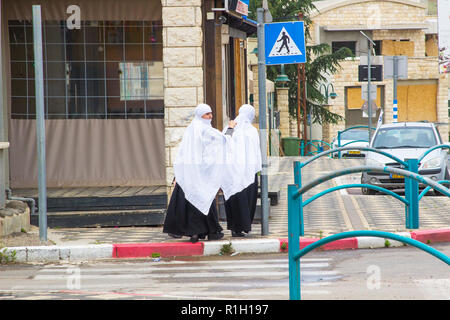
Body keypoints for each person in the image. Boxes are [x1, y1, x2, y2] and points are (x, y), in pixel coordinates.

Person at [163, 104, 227, 243]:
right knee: (204, 200)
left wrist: (180, 173)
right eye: (207, 114)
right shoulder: (205, 130)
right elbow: (221, 141)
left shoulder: (191, 129)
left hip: (189, 173)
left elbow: (183, 152)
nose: (210, 116)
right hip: (200, 173)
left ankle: (197, 233)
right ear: (200, 115)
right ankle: (206, 231)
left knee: (192, 201)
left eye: (211, 113)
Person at [221, 104, 262, 237]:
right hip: (249, 172)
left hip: (232, 172)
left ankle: (235, 227)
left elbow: (224, 143)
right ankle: (244, 226)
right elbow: (256, 151)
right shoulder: (252, 131)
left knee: (234, 198)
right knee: (247, 199)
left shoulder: (230, 128)